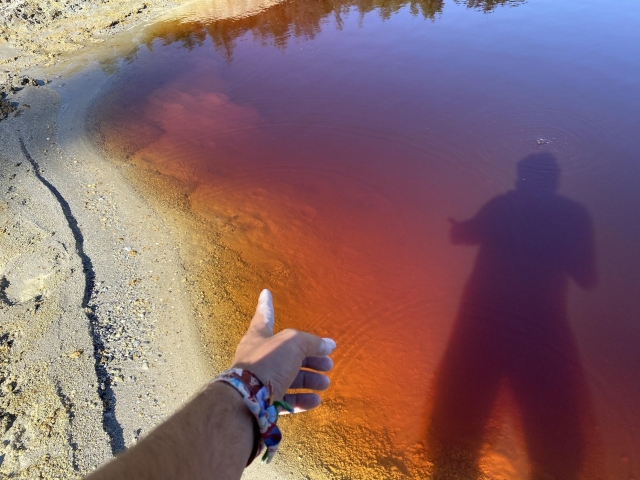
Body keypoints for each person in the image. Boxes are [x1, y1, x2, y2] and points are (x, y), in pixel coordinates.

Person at [428, 153, 596, 479]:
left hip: (483, 326)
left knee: (461, 420)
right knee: (553, 432)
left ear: (521, 180)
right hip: (540, 329)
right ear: (555, 181)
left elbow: (462, 235)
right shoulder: (574, 215)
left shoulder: (503, 207)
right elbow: (588, 278)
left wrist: (460, 227)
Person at [87, 289, 336, 480]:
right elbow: (261, 407)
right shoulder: (262, 408)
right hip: (262, 414)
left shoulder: (263, 407)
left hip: (262, 414)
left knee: (271, 418)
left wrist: (245, 383)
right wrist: (245, 387)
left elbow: (263, 406)